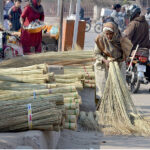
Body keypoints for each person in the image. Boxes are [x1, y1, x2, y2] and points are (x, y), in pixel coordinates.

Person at [94, 22, 132, 106]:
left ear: (115, 32)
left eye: (110, 34)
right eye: (106, 34)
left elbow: (127, 52)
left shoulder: (122, 38)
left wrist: (118, 59)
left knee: (118, 88)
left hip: (118, 64)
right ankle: (103, 106)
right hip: (103, 65)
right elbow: (96, 54)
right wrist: (105, 60)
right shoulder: (100, 38)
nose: (108, 36)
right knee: (103, 88)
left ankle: (117, 106)